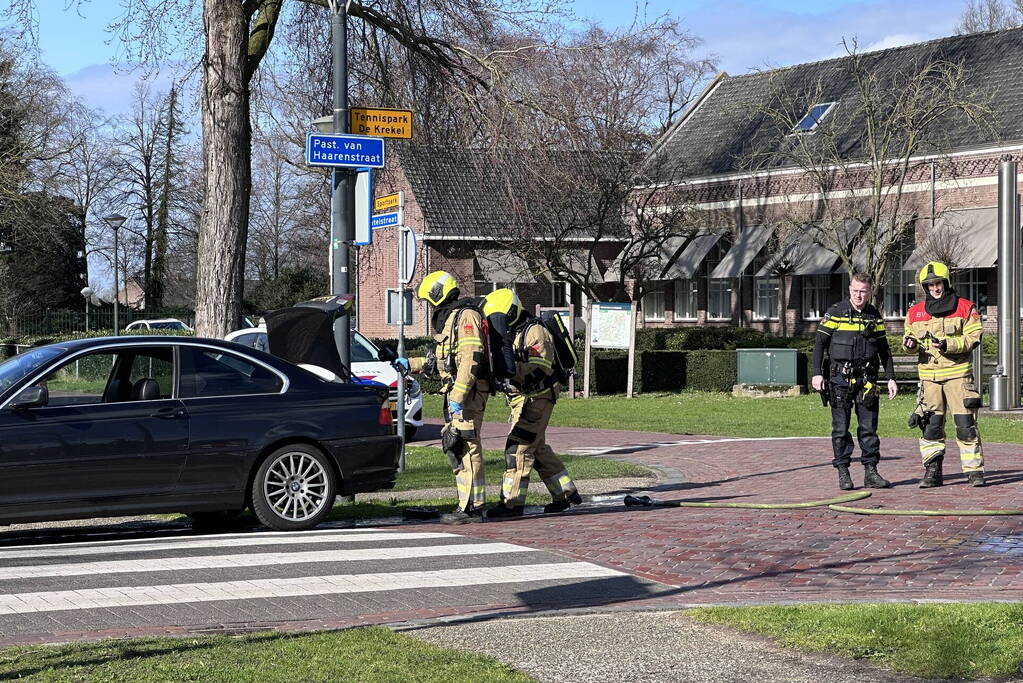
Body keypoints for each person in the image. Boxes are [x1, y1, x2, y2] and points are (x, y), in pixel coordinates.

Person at [480, 288, 582, 518]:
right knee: (537, 448)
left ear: (513, 311)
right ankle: (565, 493)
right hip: (523, 399)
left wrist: (510, 370)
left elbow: (539, 368)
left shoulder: (535, 331)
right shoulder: (512, 332)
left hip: (537, 398)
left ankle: (512, 503)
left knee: (518, 449)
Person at [397, 271, 489, 522]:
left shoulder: (466, 315)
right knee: (455, 445)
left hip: (467, 394)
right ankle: (468, 504)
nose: (429, 306)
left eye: (429, 299)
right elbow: (441, 360)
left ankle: (472, 507)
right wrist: (411, 363)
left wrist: (459, 395)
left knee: (466, 446)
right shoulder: (452, 318)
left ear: (439, 292)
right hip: (455, 392)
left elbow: (471, 358)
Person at [811, 273, 899, 491]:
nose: (858, 295)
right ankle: (843, 472)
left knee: (869, 429)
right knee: (841, 429)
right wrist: (816, 373)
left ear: (870, 292)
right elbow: (819, 344)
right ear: (849, 289)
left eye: (863, 291)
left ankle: (871, 472)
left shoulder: (874, 315)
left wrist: (890, 378)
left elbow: (884, 350)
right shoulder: (835, 313)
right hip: (839, 380)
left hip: (867, 381)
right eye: (855, 290)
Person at [903, 261, 985, 488]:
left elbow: (974, 338)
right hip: (930, 379)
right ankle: (932, 471)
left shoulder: (966, 308)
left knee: (965, 424)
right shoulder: (914, 312)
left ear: (946, 283)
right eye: (929, 285)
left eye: (938, 283)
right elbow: (909, 340)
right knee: (931, 425)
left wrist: (949, 344)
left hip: (959, 378)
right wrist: (909, 344)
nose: (935, 289)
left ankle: (974, 471)